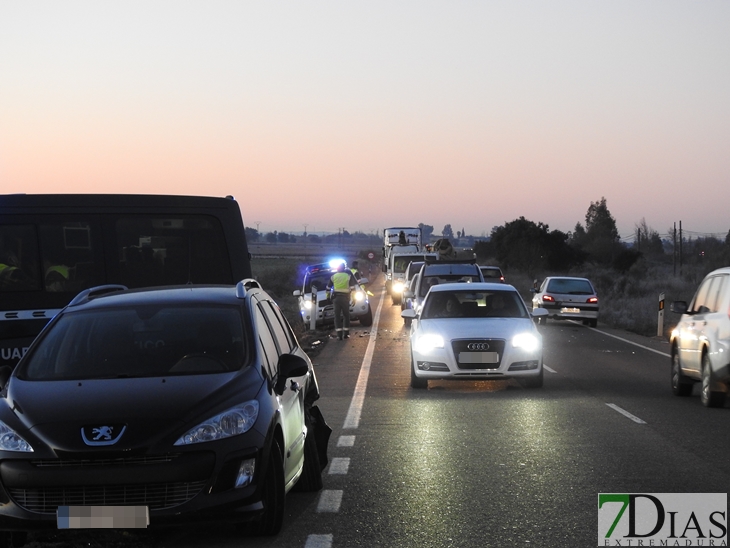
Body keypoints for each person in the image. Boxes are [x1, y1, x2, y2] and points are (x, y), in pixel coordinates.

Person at [326, 262, 358, 340]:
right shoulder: (348, 276)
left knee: (337, 316)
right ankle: (346, 334)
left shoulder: (333, 277)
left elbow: (328, 288)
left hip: (336, 298)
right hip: (345, 298)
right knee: (346, 315)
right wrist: (354, 298)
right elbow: (353, 289)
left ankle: (339, 335)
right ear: (344, 269)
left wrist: (328, 297)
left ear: (337, 269)